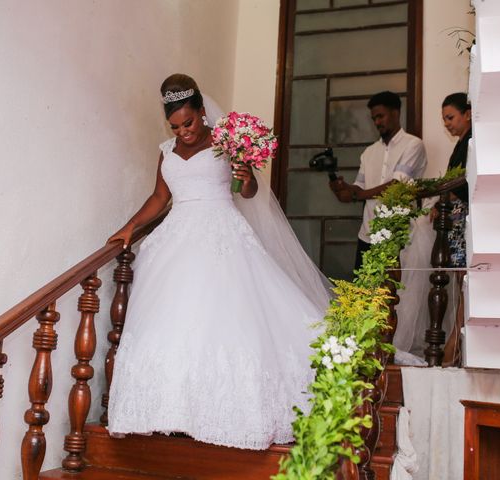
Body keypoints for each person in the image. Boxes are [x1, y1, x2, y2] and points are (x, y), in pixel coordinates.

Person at [105, 73, 330, 450]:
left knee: (224, 318)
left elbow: (249, 190)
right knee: (174, 319)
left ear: (202, 112)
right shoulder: (165, 151)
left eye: (188, 123)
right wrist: (129, 227)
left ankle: (224, 411)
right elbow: (160, 198)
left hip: (222, 233)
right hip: (176, 238)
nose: (183, 132)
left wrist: (244, 176)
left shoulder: (228, 142)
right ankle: (170, 410)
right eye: (175, 126)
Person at [329, 91, 427, 271]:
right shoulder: (369, 152)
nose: (377, 122)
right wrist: (341, 188)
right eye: (374, 118)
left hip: (398, 233)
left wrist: (358, 194)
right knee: (362, 295)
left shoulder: (413, 145)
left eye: (380, 116)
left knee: (395, 296)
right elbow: (356, 190)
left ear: (396, 113)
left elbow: (397, 186)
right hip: (367, 234)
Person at [437, 92, 472, 366]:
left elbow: (463, 182)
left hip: (464, 221)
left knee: (464, 280)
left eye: (451, 117)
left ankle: (456, 345)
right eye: (444, 119)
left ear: (467, 114)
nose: (447, 123)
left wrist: (445, 199)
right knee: (459, 280)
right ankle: (455, 343)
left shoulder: (471, 142)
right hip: (455, 219)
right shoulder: (460, 143)